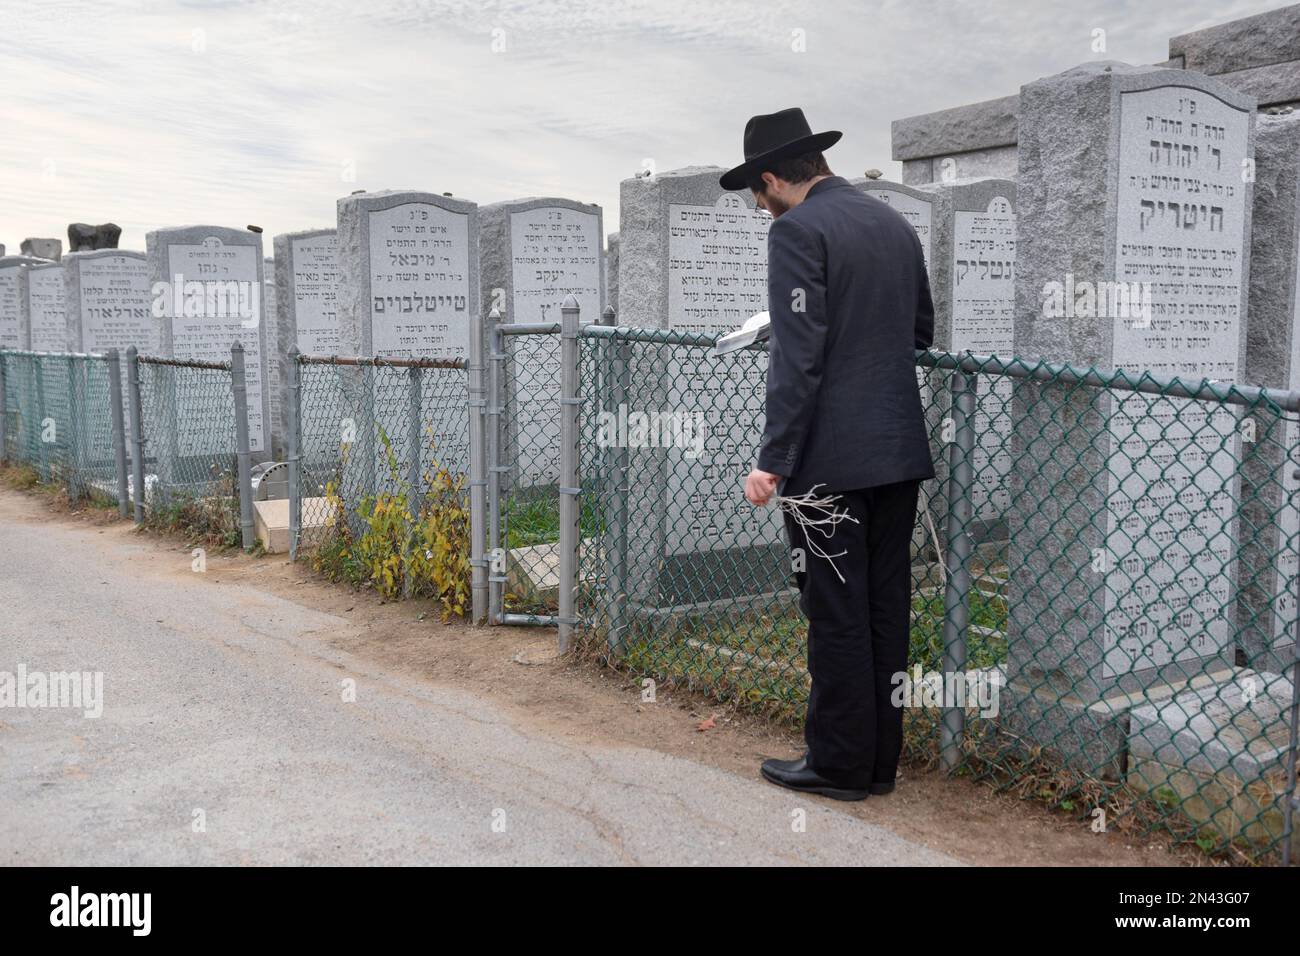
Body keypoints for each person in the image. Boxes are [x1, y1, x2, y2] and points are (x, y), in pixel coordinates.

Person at [720, 108, 935, 800]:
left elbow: (799, 358)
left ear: (776, 179)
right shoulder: (893, 224)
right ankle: (878, 763)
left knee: (835, 612)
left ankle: (838, 763)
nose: (761, 210)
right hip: (899, 449)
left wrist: (772, 459)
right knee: (882, 608)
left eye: (758, 196)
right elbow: (921, 332)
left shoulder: (797, 230)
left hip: (828, 468)